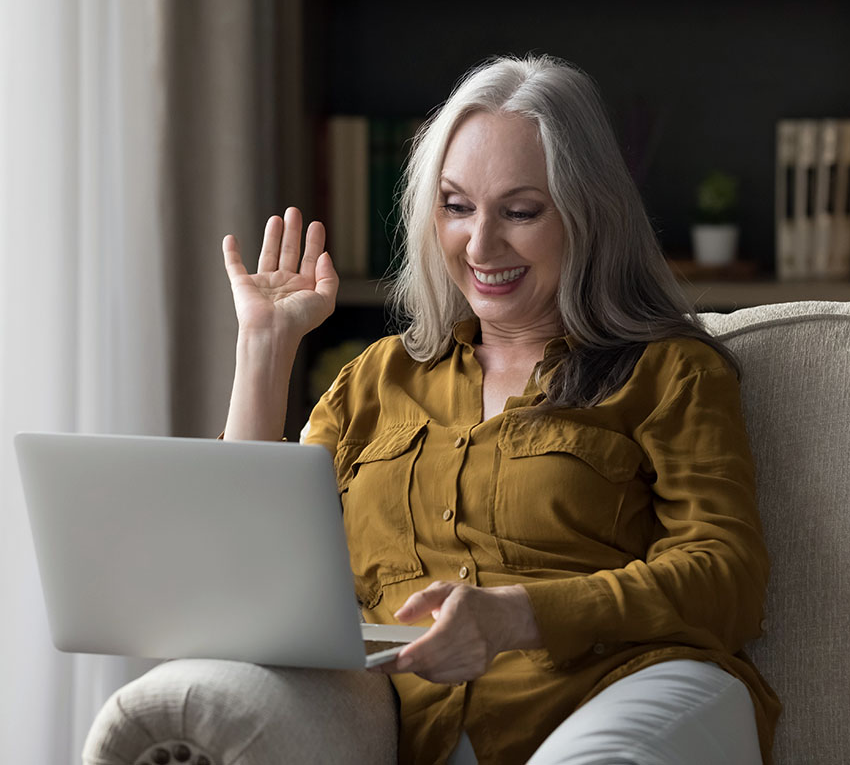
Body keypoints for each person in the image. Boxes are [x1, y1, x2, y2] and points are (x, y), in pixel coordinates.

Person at [221, 55, 781, 765]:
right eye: (456, 206)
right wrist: (264, 348)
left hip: (626, 689)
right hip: (429, 725)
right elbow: (243, 568)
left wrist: (521, 616)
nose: (481, 245)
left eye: (520, 211)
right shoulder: (374, 381)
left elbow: (726, 577)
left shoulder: (670, 372)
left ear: (588, 214)